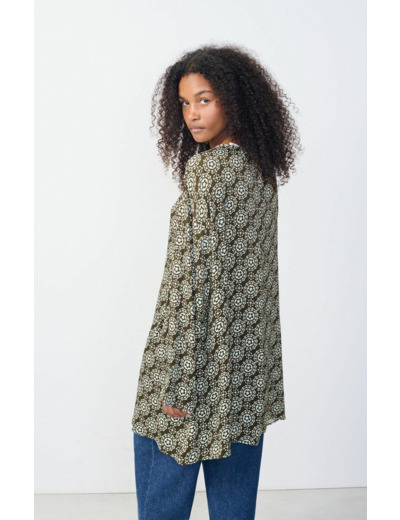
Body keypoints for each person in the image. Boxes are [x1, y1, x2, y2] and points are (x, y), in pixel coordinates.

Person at [131, 44, 303, 520]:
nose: (192, 114)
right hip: (246, 365)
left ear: (234, 99)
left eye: (204, 100)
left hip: (193, 361)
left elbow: (195, 283)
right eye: (184, 103)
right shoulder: (259, 168)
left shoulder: (208, 170)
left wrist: (179, 384)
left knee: (162, 490)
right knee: (234, 501)